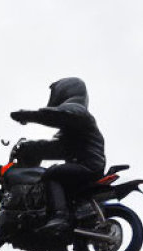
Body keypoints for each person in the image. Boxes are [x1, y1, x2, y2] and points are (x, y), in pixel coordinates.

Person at [10, 77, 106, 233]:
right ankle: (63, 216)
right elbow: (55, 148)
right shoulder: (72, 132)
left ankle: (60, 217)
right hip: (86, 166)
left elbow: (55, 115)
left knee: (52, 174)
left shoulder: (77, 111)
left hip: (88, 167)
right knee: (57, 178)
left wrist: (26, 115)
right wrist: (30, 148)